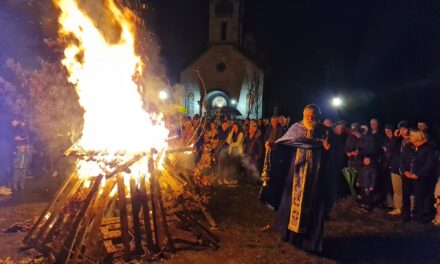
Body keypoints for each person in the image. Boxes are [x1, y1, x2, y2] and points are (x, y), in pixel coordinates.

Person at [273, 104, 332, 253]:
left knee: (313, 206)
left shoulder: (323, 130)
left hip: (316, 177)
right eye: (307, 115)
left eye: (313, 115)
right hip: (296, 173)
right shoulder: (296, 128)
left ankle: (309, 241)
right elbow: (283, 143)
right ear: (303, 115)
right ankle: (290, 236)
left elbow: (333, 153)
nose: (310, 118)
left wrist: (327, 149)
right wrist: (273, 146)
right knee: (291, 202)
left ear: (317, 116)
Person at [400, 129, 436, 223]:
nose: (409, 137)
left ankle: (420, 217)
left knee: (420, 197)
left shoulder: (428, 148)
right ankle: (406, 214)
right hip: (407, 176)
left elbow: (429, 164)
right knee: (406, 195)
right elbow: (402, 160)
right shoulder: (408, 146)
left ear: (417, 136)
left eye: (411, 135)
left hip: (420, 177)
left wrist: (418, 174)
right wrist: (405, 172)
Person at [260, 116, 286, 209]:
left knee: (273, 167)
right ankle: (266, 179)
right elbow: (265, 137)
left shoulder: (281, 129)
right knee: (267, 165)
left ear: (277, 121)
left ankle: (272, 180)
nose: (273, 122)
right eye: (272, 121)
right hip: (269, 150)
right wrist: (267, 143)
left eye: (275, 121)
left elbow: (280, 139)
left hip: (276, 151)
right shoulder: (268, 128)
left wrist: (274, 144)